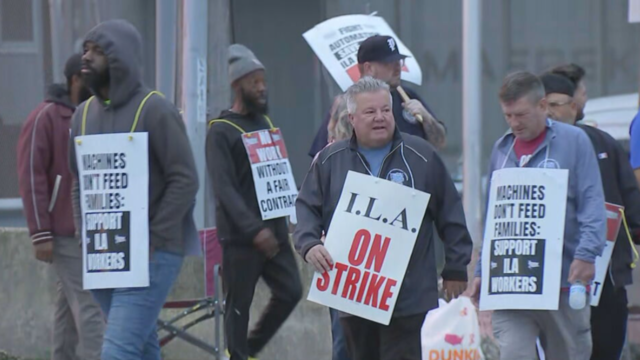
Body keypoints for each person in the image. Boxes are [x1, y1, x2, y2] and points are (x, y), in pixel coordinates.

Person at [295, 77, 472, 360]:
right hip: (353, 292)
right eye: (370, 112)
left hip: (408, 295)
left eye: (386, 110)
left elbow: (450, 213)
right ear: (351, 118)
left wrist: (455, 268)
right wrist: (309, 243)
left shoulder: (422, 155)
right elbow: (306, 209)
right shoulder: (330, 160)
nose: (380, 118)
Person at [69, 19, 199, 359]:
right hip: (104, 254)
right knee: (139, 347)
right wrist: (84, 233)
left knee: (118, 350)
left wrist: (154, 236)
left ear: (120, 58)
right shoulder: (81, 116)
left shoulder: (154, 109)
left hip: (152, 255)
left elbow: (185, 179)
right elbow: (78, 182)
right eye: (86, 50)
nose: (87, 58)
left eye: (98, 51)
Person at [466, 71, 606, 360]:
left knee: (568, 354)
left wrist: (587, 255)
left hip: (563, 280)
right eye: (508, 116)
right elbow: (496, 215)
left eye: (521, 115)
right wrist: (483, 271)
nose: (514, 123)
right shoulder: (501, 150)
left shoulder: (574, 142)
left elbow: (592, 202)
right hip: (512, 281)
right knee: (513, 353)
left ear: (543, 105)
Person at [206, 44, 302, 360]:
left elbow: (278, 174)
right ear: (237, 85)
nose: (261, 88)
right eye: (254, 82)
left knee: (291, 291)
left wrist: (289, 211)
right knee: (238, 307)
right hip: (242, 239)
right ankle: (238, 355)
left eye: (263, 81)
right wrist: (252, 230)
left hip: (274, 232)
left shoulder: (266, 124)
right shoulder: (221, 131)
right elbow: (225, 190)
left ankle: (248, 351)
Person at [541, 71, 640, 360]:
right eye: (542, 104)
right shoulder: (523, 150)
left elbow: (631, 204)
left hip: (605, 276)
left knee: (605, 348)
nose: (548, 112)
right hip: (550, 280)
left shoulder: (604, 144)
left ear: (574, 106)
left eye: (555, 105)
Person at [16, 54, 103, 360]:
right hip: (64, 232)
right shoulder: (46, 117)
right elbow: (31, 175)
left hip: (89, 231)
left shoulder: (93, 115)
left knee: (69, 311)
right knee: (91, 306)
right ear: (75, 79)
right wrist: (40, 233)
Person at [308, 35, 446, 158]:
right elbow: (322, 158)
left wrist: (427, 118)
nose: (398, 68)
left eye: (399, 62)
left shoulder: (408, 97)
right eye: (389, 63)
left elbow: (439, 143)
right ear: (368, 68)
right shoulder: (347, 104)